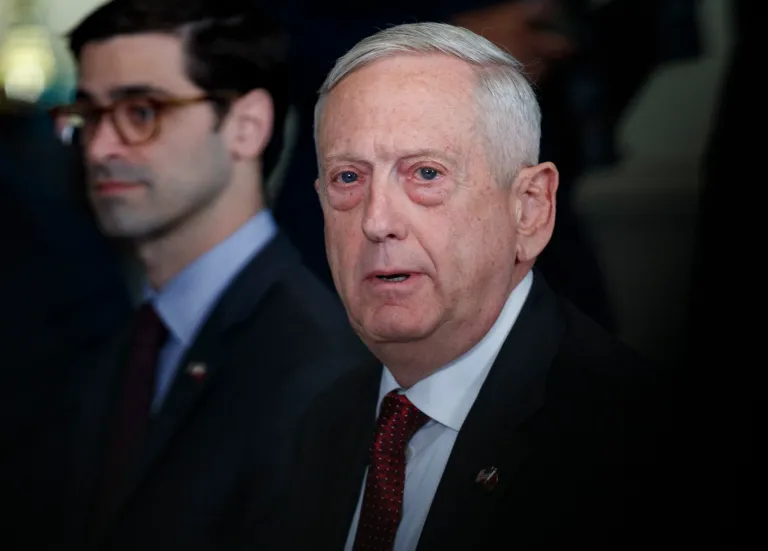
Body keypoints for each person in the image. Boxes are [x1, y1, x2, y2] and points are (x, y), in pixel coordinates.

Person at [283, 22, 684, 551]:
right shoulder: (322, 422)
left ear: (530, 208)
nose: (376, 221)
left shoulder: (637, 444)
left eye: (426, 174)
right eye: (349, 179)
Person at [42, 1, 365, 549]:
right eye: (89, 115)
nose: (99, 148)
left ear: (247, 126)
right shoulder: (123, 341)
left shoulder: (319, 372)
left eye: (142, 111)